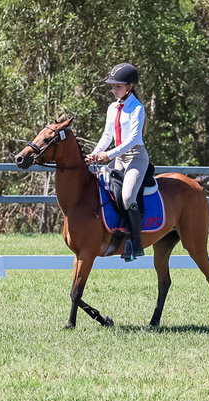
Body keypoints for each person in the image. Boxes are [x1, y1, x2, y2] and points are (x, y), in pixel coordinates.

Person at [86, 62, 148, 261]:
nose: (114, 89)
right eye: (112, 86)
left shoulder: (138, 109)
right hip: (117, 158)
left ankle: (135, 243)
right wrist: (94, 154)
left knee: (128, 197)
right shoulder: (112, 108)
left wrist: (109, 155)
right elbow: (107, 135)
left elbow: (132, 140)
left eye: (118, 86)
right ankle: (114, 231)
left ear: (130, 86)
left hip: (135, 157)